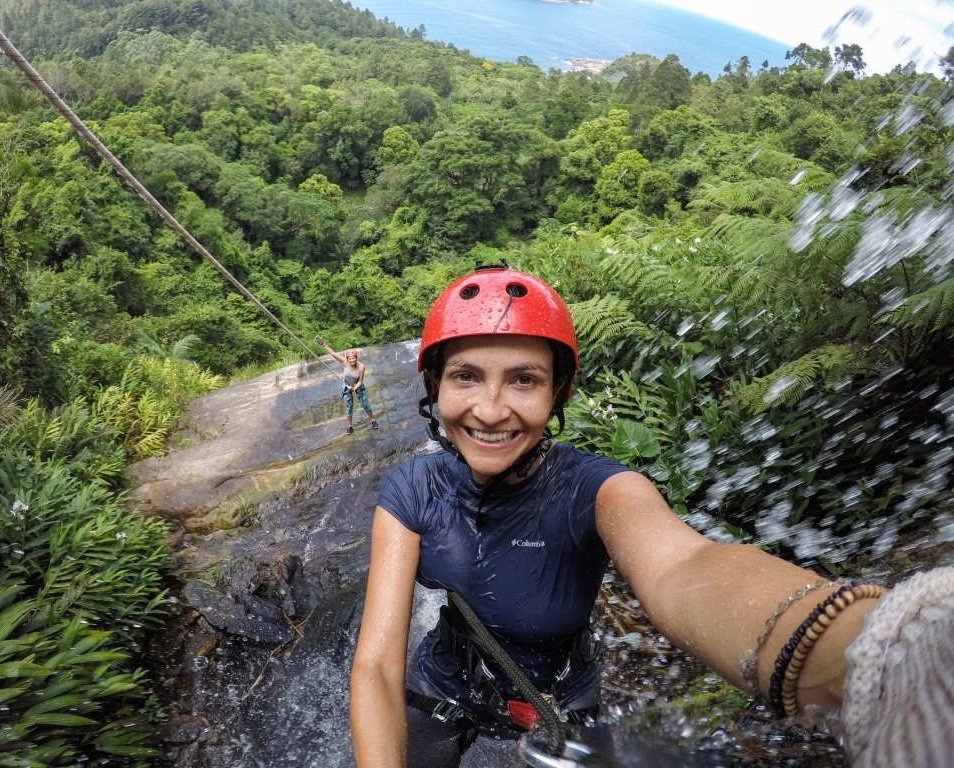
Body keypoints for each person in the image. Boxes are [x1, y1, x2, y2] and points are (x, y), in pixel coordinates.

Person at [348, 263, 954, 768]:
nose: (490, 409)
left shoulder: (599, 490)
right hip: (447, 685)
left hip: (561, 697)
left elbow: (684, 567)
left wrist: (871, 647)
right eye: (465, 377)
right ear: (435, 385)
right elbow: (376, 663)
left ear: (558, 394)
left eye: (524, 380)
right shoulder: (413, 490)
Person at [319, 337, 378, 434]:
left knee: (365, 403)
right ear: (347, 359)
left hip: (357, 386)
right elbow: (333, 354)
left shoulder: (361, 367)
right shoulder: (345, 362)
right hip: (346, 386)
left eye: (353, 358)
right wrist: (324, 345)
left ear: (356, 358)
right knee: (349, 406)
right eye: (350, 359)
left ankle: (373, 420)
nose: (352, 360)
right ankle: (349, 426)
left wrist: (354, 388)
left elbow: (360, 381)